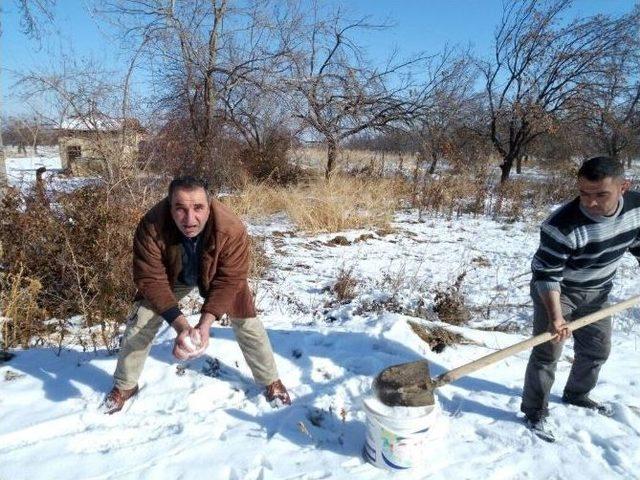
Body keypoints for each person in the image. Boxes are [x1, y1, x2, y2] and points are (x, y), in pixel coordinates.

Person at [103, 176, 291, 413]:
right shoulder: (151, 225)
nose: (190, 219)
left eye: (198, 208)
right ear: (169, 206)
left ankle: (270, 381)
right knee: (141, 319)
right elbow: (151, 279)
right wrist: (182, 326)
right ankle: (125, 385)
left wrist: (205, 324)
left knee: (248, 323)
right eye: (180, 209)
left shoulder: (231, 227)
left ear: (209, 204)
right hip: (174, 277)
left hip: (215, 277)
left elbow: (230, 278)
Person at [520, 156, 640, 442]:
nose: (591, 202)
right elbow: (546, 275)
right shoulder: (561, 225)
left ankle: (577, 393)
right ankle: (535, 410)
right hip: (558, 294)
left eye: (601, 194)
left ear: (624, 187)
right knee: (548, 353)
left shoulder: (637, 208)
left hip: (599, 291)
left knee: (598, 349)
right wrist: (556, 318)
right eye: (584, 193)